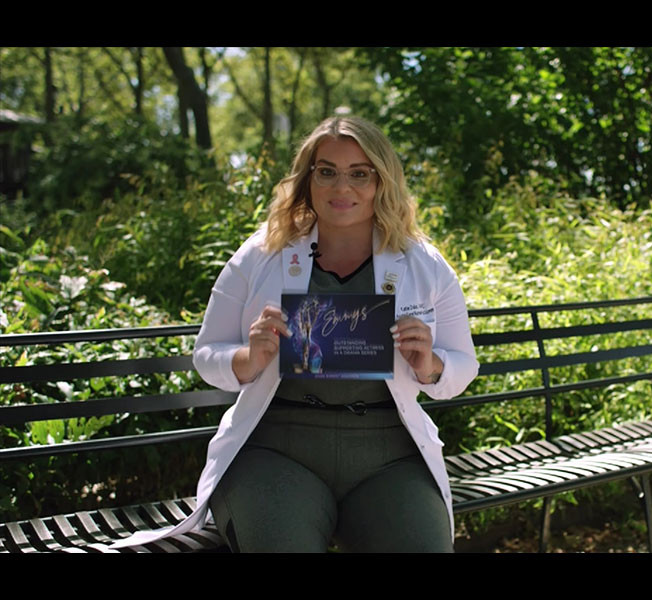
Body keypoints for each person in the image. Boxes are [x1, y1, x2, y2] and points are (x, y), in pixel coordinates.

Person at [111, 116, 478, 552]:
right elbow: (207, 353)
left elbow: (464, 365)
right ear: (308, 179)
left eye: (360, 173)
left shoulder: (424, 263)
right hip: (277, 450)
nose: (342, 187)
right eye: (327, 171)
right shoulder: (262, 253)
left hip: (388, 455)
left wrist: (432, 365)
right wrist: (249, 358)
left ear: (383, 181)